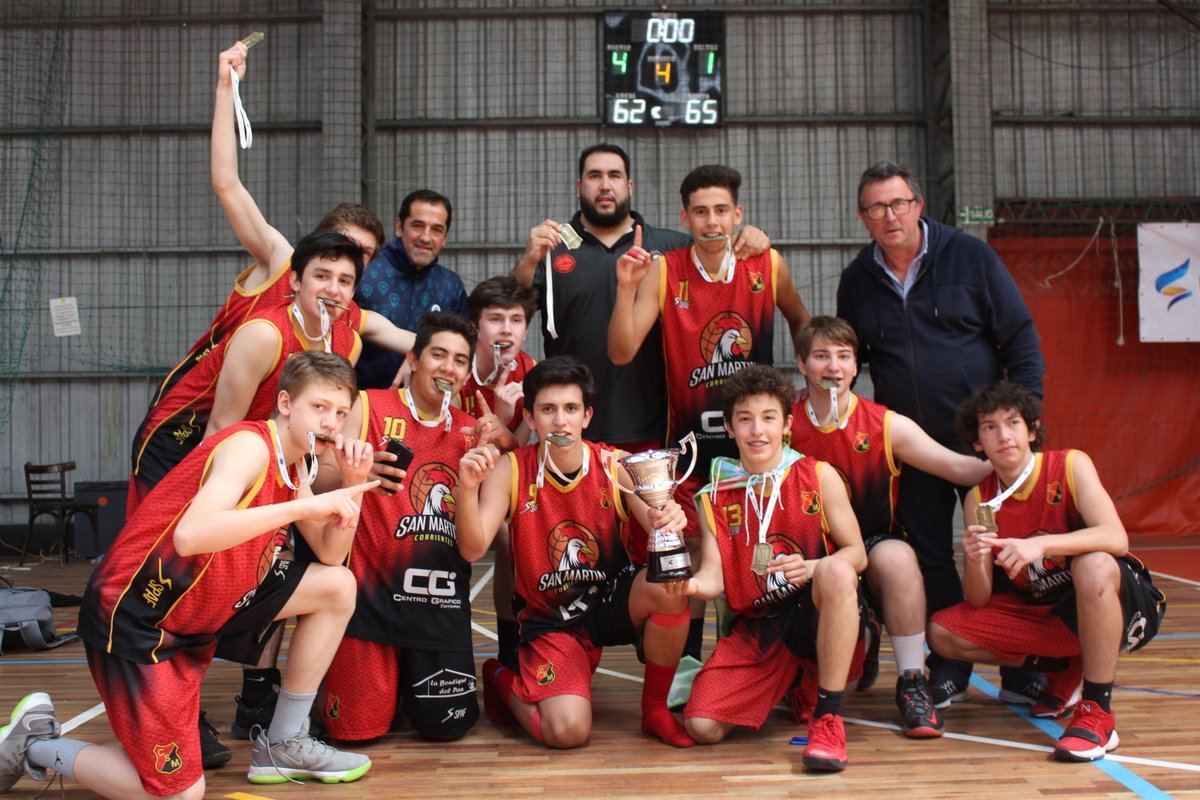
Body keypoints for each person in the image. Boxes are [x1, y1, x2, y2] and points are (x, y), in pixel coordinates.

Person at [0, 351, 378, 798]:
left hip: (201, 611)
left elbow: (331, 556)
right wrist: (300, 508)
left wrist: (352, 486)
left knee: (337, 586)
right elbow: (191, 535)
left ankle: (284, 742)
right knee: (180, 794)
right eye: (319, 407)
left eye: (341, 413)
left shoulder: (296, 464)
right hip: (139, 618)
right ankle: (36, 747)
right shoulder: (250, 447)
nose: (331, 422)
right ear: (284, 403)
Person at [836, 160, 1046, 705]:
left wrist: (1026, 421)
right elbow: (848, 361)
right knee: (931, 554)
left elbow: (1020, 336)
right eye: (876, 207)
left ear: (918, 206)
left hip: (983, 442)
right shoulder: (856, 280)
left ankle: (1018, 667)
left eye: (898, 203)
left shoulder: (970, 257)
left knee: (1004, 554)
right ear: (863, 217)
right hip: (911, 448)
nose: (890, 216)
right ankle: (949, 663)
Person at [453, 357, 695, 749]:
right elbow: (472, 548)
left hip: (608, 600)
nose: (560, 421)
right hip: (552, 620)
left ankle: (655, 710)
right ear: (530, 418)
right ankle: (499, 677)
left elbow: (658, 527)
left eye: (570, 409)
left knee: (671, 586)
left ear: (587, 416)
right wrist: (466, 490)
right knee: (566, 732)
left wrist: (670, 518)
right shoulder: (510, 470)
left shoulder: (615, 465)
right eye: (548, 410)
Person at [928, 382, 1165, 762]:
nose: (1003, 435)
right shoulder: (980, 499)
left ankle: (1097, 710)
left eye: (1013, 423)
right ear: (977, 442)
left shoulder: (1070, 465)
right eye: (990, 427)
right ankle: (1064, 664)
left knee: (1093, 562)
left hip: (1121, 606)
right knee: (943, 632)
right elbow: (978, 598)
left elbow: (1116, 538)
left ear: (1031, 430)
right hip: (1050, 615)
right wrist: (973, 558)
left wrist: (1042, 545)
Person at [789, 316, 994, 738]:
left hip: (871, 544)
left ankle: (912, 682)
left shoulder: (884, 424)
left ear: (855, 366)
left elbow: (957, 467)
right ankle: (854, 646)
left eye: (843, 356)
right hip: (808, 555)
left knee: (899, 558)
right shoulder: (785, 424)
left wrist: (1022, 462)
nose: (833, 366)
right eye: (822, 356)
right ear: (802, 364)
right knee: (815, 690)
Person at [608, 163, 811, 549]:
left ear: (738, 214)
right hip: (691, 451)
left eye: (721, 210)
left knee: (761, 550)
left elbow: (802, 321)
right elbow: (621, 352)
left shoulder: (768, 264)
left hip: (757, 443)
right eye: (701, 212)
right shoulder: (664, 271)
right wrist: (625, 288)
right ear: (685, 218)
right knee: (698, 556)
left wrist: (809, 384)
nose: (712, 222)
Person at [676, 365, 866, 771]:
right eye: (745, 419)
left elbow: (857, 555)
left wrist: (813, 567)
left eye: (768, 418)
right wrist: (687, 586)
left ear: (786, 425)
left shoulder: (818, 476)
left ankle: (827, 717)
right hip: (760, 626)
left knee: (836, 571)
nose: (757, 430)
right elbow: (713, 577)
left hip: (814, 613)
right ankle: (793, 680)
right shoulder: (713, 496)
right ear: (730, 427)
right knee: (701, 725)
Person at [317, 312, 494, 742]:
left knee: (449, 728)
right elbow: (316, 481)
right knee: (354, 732)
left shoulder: (472, 434)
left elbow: (474, 543)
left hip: (439, 608)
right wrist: (353, 475)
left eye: (460, 361)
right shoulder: (368, 406)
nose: (448, 368)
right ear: (413, 360)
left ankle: (403, 689)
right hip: (371, 604)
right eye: (438, 355)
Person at [129, 232, 367, 515]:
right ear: (295, 281)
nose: (333, 289)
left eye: (344, 281)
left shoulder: (349, 344)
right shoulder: (264, 334)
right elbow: (221, 425)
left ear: (353, 293)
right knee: (167, 532)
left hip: (249, 448)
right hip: (186, 436)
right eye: (321, 276)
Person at [456, 276, 538, 671]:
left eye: (516, 320)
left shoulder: (530, 372)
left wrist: (504, 425)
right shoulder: (455, 365)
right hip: (446, 473)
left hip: (494, 476)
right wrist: (496, 427)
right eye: (496, 319)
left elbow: (515, 455)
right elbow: (441, 441)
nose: (506, 329)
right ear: (476, 326)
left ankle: (509, 648)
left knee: (510, 534)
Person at [355, 190, 469, 389]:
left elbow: (463, 348)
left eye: (436, 230)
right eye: (417, 226)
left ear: (445, 237)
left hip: (427, 403)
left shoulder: (451, 286)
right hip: (363, 400)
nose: (426, 237)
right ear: (399, 227)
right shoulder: (365, 274)